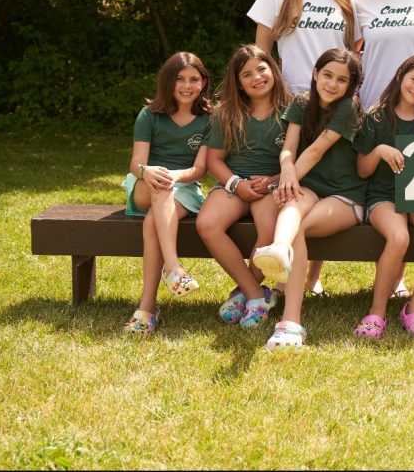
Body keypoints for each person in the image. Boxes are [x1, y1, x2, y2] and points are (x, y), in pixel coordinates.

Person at [248, 0, 356, 296]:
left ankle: (311, 276)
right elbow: (261, 50)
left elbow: (354, 53)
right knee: (290, 182)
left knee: (320, 181)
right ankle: (269, 271)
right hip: (291, 100)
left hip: (333, 104)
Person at [250, 49, 367, 349]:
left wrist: (287, 180)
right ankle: (278, 250)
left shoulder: (347, 108)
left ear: (351, 86)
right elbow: (288, 149)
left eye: (342, 80)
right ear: (315, 74)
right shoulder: (302, 102)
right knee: (292, 205)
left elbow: (316, 150)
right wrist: (287, 170)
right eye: (327, 75)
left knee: (297, 227)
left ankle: (291, 323)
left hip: (344, 196)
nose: (332, 84)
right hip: (310, 185)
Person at [351, 54, 414, 339]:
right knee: (399, 237)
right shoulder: (377, 117)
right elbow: (362, 170)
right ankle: (377, 311)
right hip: (385, 197)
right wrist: (379, 151)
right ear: (400, 76)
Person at [196, 44, 292, 329]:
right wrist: (236, 184)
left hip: (274, 184)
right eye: (246, 74)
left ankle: (244, 295)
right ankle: (254, 293)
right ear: (237, 82)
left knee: (267, 227)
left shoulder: (291, 110)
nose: (256, 77)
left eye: (261, 69)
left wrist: (274, 180)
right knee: (207, 224)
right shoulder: (226, 113)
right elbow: (214, 160)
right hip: (234, 181)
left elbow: (298, 159)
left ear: (273, 70)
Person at [122, 52, 212, 334]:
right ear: (168, 81)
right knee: (158, 183)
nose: (187, 85)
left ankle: (146, 309)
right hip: (144, 187)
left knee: (153, 222)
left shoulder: (210, 119)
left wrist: (174, 176)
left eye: (194, 79)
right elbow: (137, 163)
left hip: (184, 187)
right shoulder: (149, 115)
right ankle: (173, 268)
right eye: (180, 79)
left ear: (203, 82)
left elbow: (199, 170)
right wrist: (148, 172)